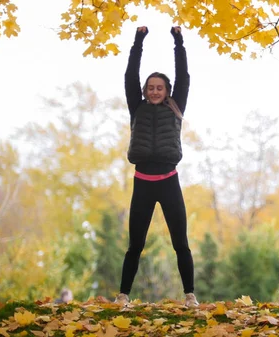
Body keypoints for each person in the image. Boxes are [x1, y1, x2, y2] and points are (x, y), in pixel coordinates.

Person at [115, 25, 198, 308]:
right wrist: (138, 41)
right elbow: (129, 76)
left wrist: (178, 42)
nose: (154, 91)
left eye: (159, 88)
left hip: (169, 181)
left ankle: (190, 295)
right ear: (144, 91)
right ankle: (123, 295)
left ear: (167, 91)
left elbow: (184, 76)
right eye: (150, 88)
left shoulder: (176, 106)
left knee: (180, 243)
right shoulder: (136, 107)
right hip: (142, 183)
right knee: (135, 245)